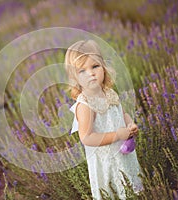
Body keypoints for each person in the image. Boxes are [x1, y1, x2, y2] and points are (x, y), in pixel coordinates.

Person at [65, 40, 143, 199]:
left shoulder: (109, 92)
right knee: (114, 191)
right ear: (75, 78)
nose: (91, 73)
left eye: (95, 66)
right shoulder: (85, 104)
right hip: (107, 161)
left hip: (123, 152)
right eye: (82, 71)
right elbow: (87, 137)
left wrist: (129, 124)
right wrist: (117, 135)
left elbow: (120, 113)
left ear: (103, 67)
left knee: (130, 186)